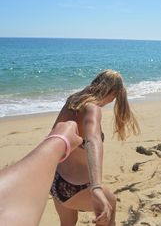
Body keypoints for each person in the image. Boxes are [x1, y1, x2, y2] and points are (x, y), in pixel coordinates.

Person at [51, 69, 140, 226]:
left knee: (67, 223)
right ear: (113, 93)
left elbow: (54, 133)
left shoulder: (73, 100)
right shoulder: (92, 108)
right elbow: (93, 140)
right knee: (110, 205)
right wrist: (96, 187)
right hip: (75, 186)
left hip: (56, 179)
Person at [0, 121, 83, 226]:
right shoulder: (91, 110)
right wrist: (60, 141)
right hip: (70, 182)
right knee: (110, 205)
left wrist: (58, 140)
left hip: (57, 178)